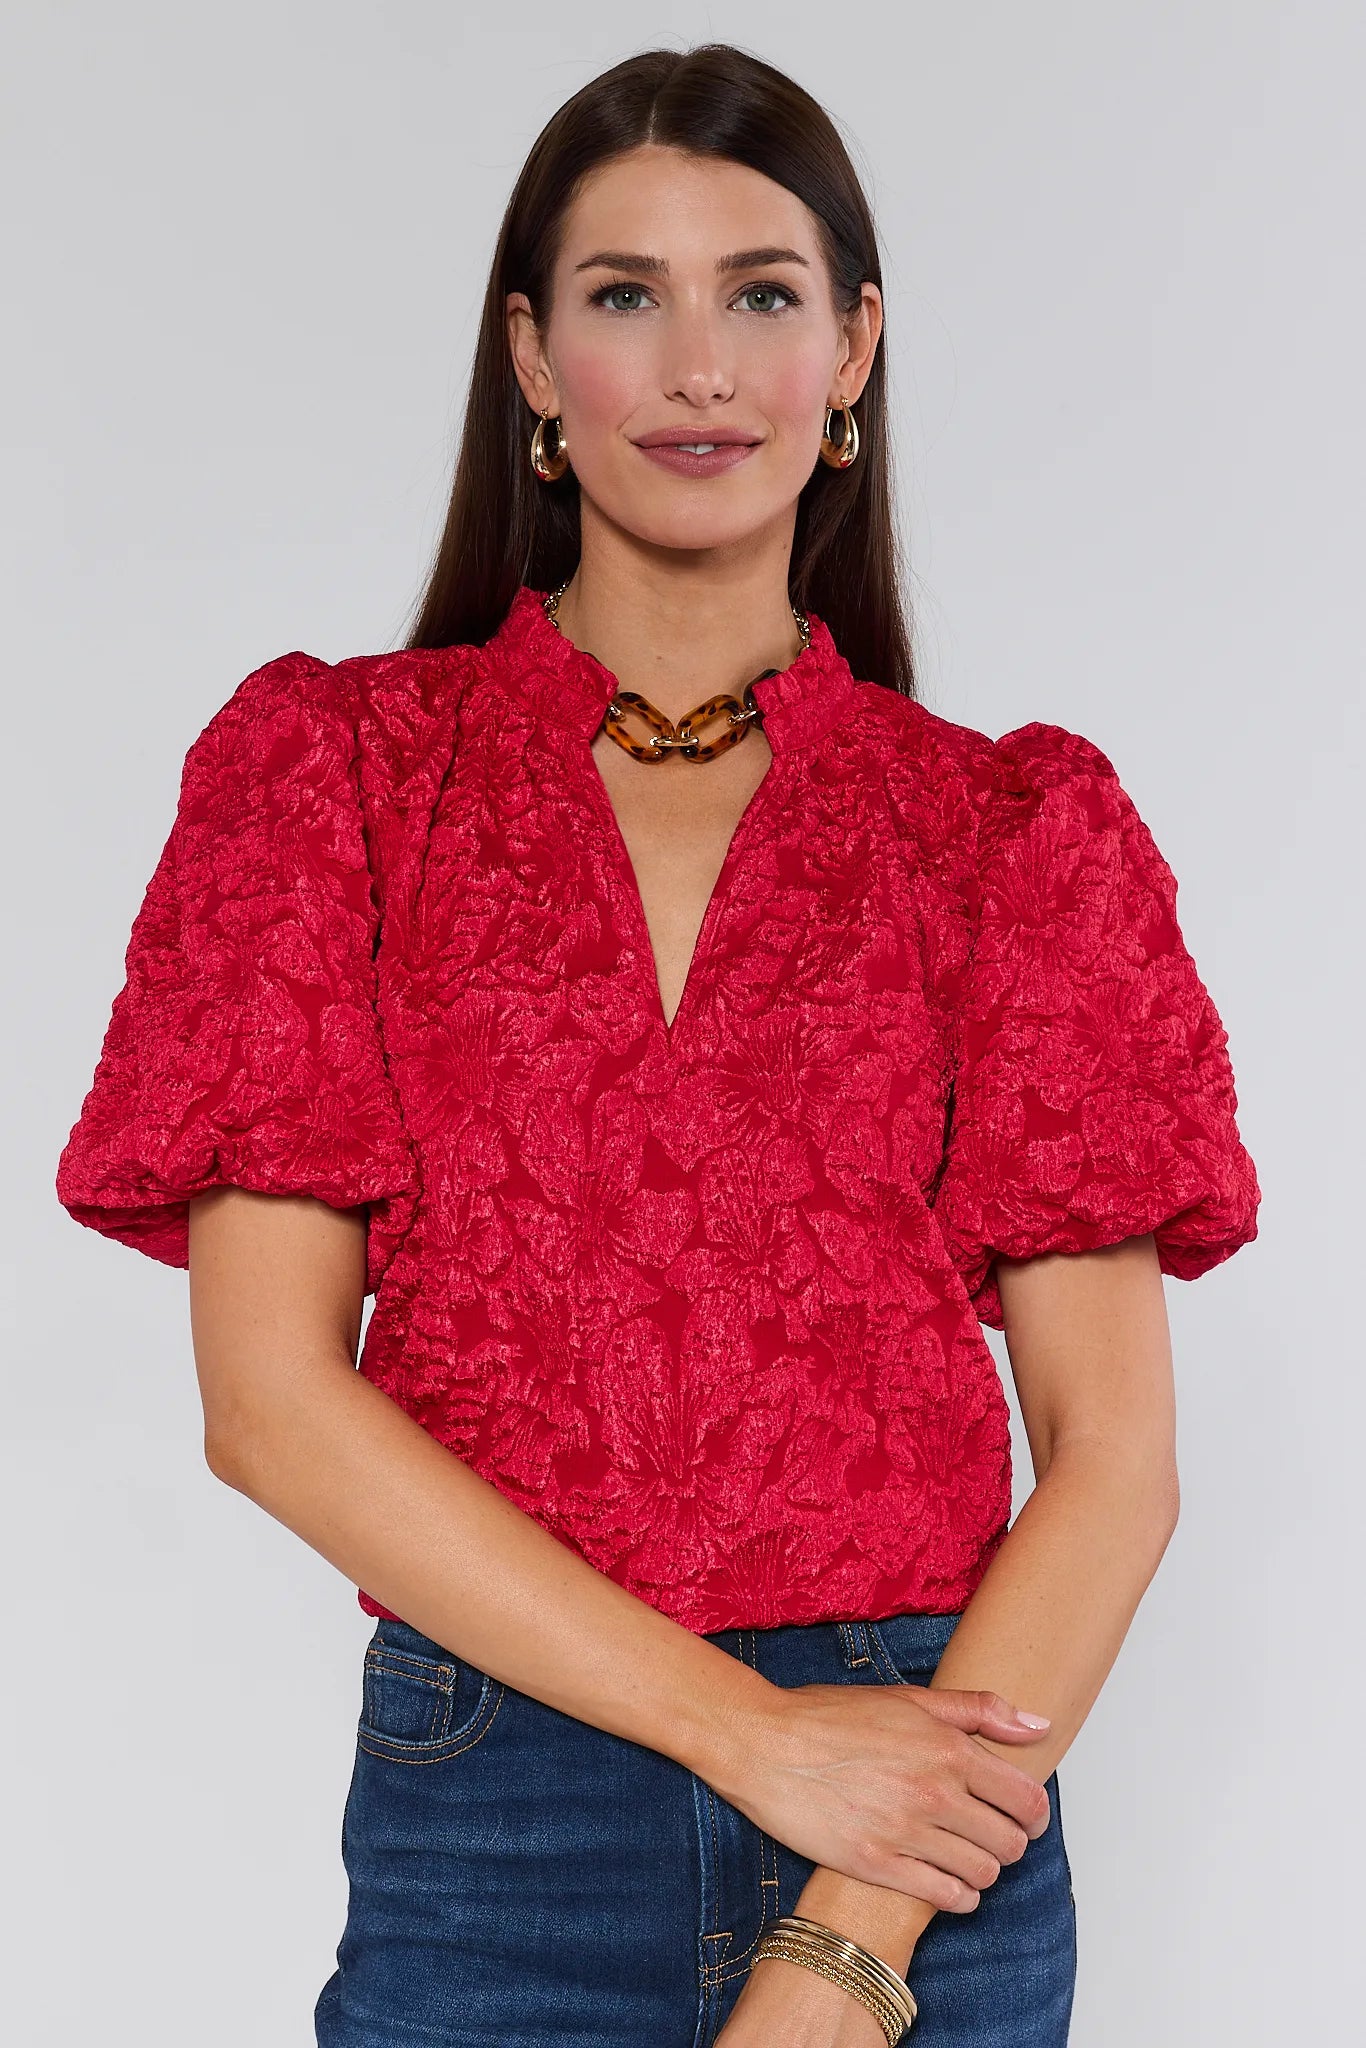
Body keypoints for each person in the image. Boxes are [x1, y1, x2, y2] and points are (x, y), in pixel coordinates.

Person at [53, 41, 1260, 2048]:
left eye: (762, 293)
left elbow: (1114, 1462)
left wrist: (845, 1937)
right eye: (625, 295)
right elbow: (268, 1399)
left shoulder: (1010, 829)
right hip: (501, 1806)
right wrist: (750, 1738)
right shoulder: (335, 778)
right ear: (531, 360)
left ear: (852, 348)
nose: (700, 364)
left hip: (919, 1814)